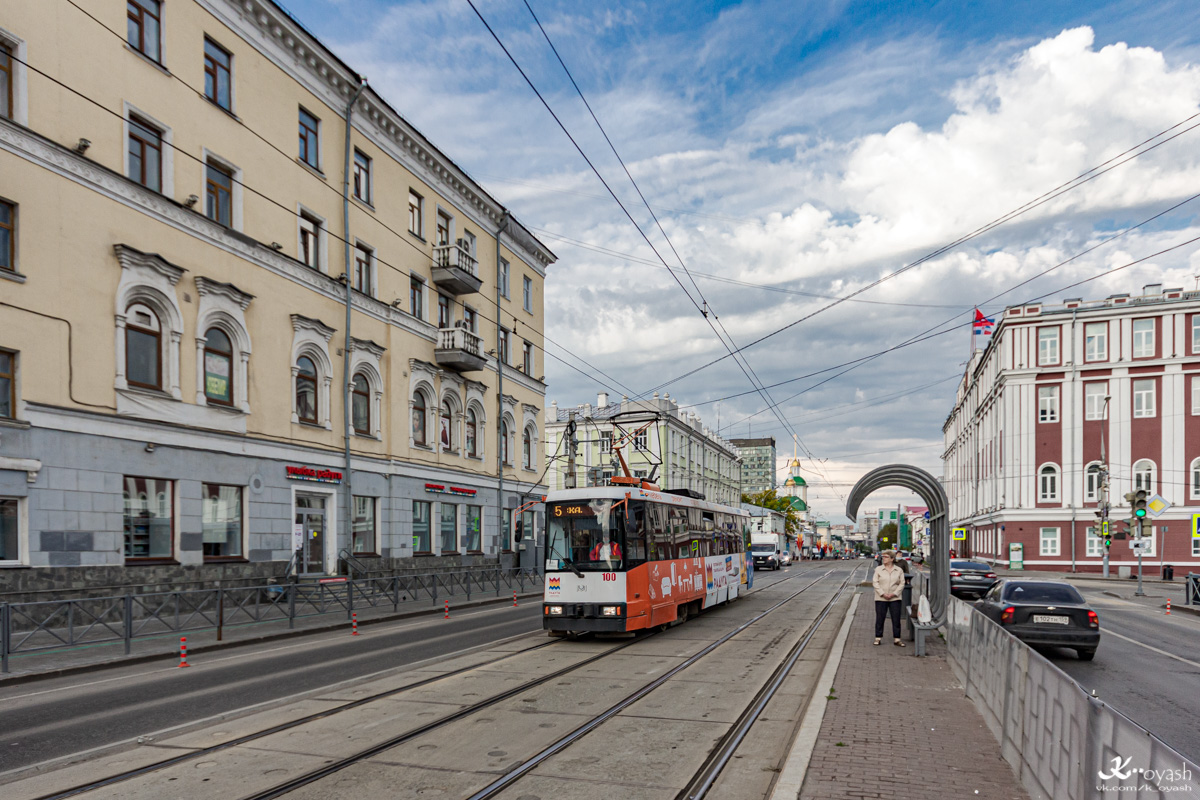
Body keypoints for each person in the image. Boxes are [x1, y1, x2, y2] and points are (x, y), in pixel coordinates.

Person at [872, 550, 905, 647]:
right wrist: (882, 593)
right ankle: (878, 638)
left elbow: (901, 583)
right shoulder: (878, 569)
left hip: (895, 598)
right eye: (883, 557)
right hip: (881, 598)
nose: (883, 559)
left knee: (896, 618)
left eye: (886, 557)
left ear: (892, 559)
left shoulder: (898, 570)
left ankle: (897, 638)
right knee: (880, 618)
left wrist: (894, 594)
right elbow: (875, 582)